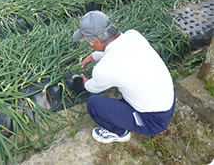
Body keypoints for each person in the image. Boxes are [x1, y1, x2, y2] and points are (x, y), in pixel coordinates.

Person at [72, 10, 175, 144]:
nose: (88, 43)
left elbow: (93, 88)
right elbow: (117, 51)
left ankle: (119, 133)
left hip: (152, 120)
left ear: (96, 41)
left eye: (87, 40)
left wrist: (86, 84)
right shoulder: (133, 35)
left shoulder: (104, 69)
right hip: (168, 101)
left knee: (94, 104)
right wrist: (94, 56)